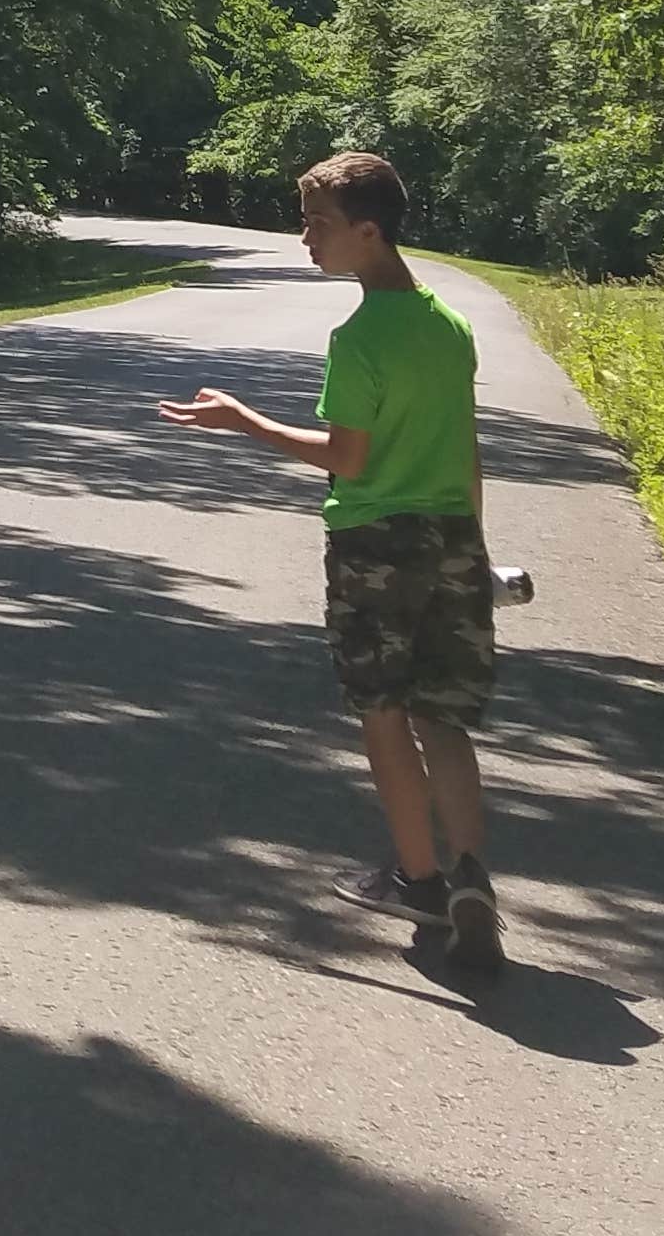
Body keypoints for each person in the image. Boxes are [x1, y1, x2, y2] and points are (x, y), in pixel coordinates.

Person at [159, 148, 504, 980]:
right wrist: (477, 550)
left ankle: (418, 880)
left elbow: (348, 458)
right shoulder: (448, 326)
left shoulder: (359, 337)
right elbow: (465, 454)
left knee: (384, 711)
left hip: (375, 545)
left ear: (368, 230)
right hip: (454, 539)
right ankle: (472, 878)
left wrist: (245, 422)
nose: (304, 237)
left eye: (317, 224)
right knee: (444, 717)